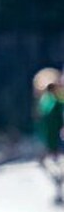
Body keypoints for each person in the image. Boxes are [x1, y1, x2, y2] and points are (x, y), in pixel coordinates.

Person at [33, 67, 64, 204]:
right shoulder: (44, 101)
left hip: (58, 138)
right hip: (47, 138)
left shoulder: (58, 100)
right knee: (45, 163)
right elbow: (40, 120)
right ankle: (57, 185)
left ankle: (59, 186)